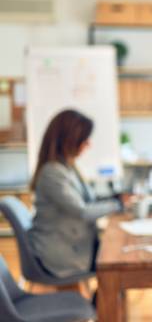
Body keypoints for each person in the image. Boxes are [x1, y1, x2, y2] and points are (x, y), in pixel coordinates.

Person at [28, 109, 122, 278]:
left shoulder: (68, 167)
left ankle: (98, 302)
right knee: (118, 262)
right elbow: (82, 211)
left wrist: (115, 198)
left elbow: (88, 200)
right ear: (69, 139)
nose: (88, 144)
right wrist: (118, 204)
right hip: (61, 253)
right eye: (84, 139)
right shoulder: (52, 172)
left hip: (75, 243)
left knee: (118, 255)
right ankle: (99, 302)